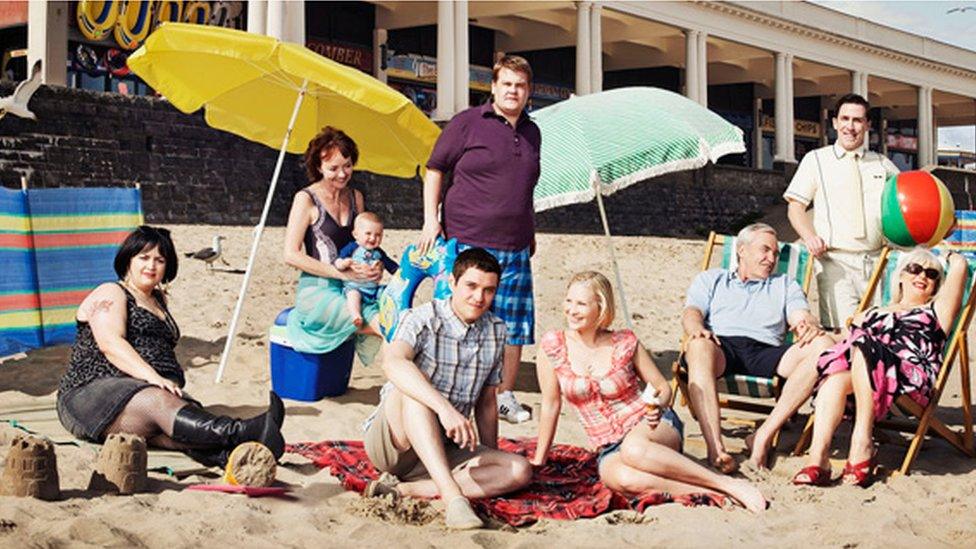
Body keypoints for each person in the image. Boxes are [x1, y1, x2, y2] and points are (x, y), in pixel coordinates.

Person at [531, 271, 766, 513]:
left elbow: (662, 388)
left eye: (581, 303)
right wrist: (539, 461)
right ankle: (711, 491)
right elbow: (551, 406)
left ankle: (726, 483)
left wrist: (655, 406)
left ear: (600, 307)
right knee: (622, 479)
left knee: (634, 448)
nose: (571, 309)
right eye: (568, 301)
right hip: (607, 444)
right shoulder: (553, 346)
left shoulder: (624, 342)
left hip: (650, 424)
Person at [56, 226, 285, 467]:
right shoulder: (111, 292)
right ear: (128, 260)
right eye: (143, 258)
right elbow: (111, 344)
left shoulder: (158, 300)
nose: (151, 266)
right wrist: (154, 378)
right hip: (89, 394)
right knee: (158, 402)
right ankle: (245, 431)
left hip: (138, 393)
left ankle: (229, 456)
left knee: (169, 428)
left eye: (159, 260)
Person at [361, 248, 532, 530]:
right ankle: (453, 497)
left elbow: (487, 401)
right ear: (452, 284)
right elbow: (392, 364)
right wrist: (445, 409)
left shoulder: (497, 330)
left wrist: (487, 454)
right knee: (415, 389)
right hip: (394, 443)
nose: (479, 297)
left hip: (446, 446)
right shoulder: (422, 318)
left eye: (489, 290)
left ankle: (408, 490)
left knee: (519, 470)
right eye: (471, 286)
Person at [418, 55, 542, 423]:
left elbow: (526, 188)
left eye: (519, 85)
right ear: (493, 87)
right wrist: (430, 220)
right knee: (454, 317)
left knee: (513, 326)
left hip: (516, 243)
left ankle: (503, 394)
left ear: (528, 91)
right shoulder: (467, 123)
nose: (512, 91)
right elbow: (435, 170)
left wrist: (530, 231)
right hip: (468, 239)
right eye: (506, 84)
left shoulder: (534, 132)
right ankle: (439, 390)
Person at [794, 248, 967, 486]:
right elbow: (842, 339)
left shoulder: (937, 312)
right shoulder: (872, 312)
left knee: (865, 343)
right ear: (901, 277)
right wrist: (814, 331)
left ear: (937, 285)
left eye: (931, 273)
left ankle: (862, 442)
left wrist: (948, 251)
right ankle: (818, 459)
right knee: (835, 379)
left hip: (909, 381)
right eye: (914, 269)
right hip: (866, 376)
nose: (922, 276)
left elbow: (960, 267)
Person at [682, 223, 835, 473]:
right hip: (722, 346)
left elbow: (799, 314)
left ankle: (763, 435)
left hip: (767, 352)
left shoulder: (784, 284)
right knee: (697, 345)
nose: (771, 258)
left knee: (824, 345)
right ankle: (716, 449)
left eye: (775, 253)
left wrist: (805, 324)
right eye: (765, 250)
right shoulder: (712, 279)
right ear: (741, 250)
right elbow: (692, 312)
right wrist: (696, 328)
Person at [784, 93, 900, 329]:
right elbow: (795, 206)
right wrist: (809, 236)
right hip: (835, 263)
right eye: (845, 119)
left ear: (867, 125)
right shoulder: (816, 159)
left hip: (879, 263)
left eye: (857, 120)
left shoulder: (882, 163)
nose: (850, 126)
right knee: (843, 333)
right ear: (835, 122)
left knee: (878, 333)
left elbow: (905, 204)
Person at [283, 126, 384, 364]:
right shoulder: (306, 199)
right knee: (383, 325)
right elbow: (290, 254)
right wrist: (339, 272)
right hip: (318, 290)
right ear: (318, 167)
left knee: (395, 313)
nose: (342, 174)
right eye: (333, 168)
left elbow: (365, 242)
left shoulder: (356, 197)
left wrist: (375, 267)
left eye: (347, 165)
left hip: (357, 286)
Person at [334, 211, 399, 331]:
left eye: (378, 235)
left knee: (387, 292)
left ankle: (392, 314)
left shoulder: (379, 252)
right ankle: (356, 315)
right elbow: (338, 261)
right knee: (352, 296)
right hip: (356, 286)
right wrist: (343, 264)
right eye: (368, 233)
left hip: (373, 290)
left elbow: (391, 266)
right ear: (356, 234)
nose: (373, 238)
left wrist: (400, 273)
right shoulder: (352, 248)